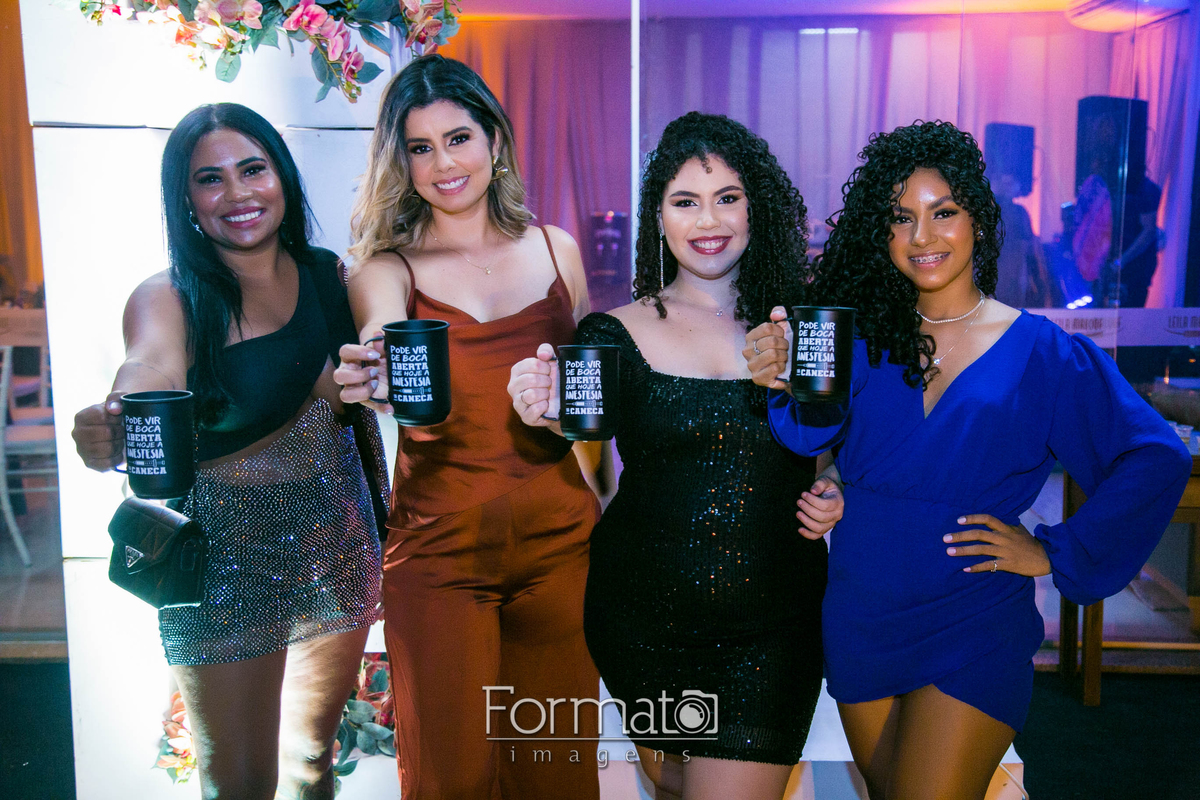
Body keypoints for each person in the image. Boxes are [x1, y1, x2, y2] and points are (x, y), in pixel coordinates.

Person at [744, 120, 1192, 800]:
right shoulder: (860, 339)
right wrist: (787, 385)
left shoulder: (1043, 352)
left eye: (943, 212)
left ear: (978, 220)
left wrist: (1052, 551)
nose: (922, 237)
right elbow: (815, 441)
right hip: (863, 611)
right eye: (901, 219)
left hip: (973, 615)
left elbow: (1153, 454)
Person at [509, 112, 843, 800]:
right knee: (671, 788)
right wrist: (542, 409)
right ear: (658, 218)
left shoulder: (803, 329)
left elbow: (840, 443)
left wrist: (836, 484)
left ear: (755, 208)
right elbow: (576, 437)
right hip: (643, 621)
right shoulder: (610, 334)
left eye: (727, 198)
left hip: (773, 631)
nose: (708, 220)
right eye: (685, 201)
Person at [70, 103, 388, 800]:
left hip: (335, 550)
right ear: (185, 199)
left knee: (312, 760)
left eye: (253, 169)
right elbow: (149, 365)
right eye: (210, 179)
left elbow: (362, 379)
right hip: (221, 571)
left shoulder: (331, 276)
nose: (238, 193)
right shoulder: (168, 296)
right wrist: (117, 417)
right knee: (238, 785)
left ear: (282, 176)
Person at [332, 55, 600, 799]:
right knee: (451, 779)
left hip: (562, 546)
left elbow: (588, 403)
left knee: (557, 774)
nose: (444, 164)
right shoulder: (385, 268)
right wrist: (378, 374)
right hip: (439, 555)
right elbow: (382, 335)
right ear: (402, 162)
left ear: (494, 140)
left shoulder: (558, 250)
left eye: (458, 139)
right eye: (421, 148)